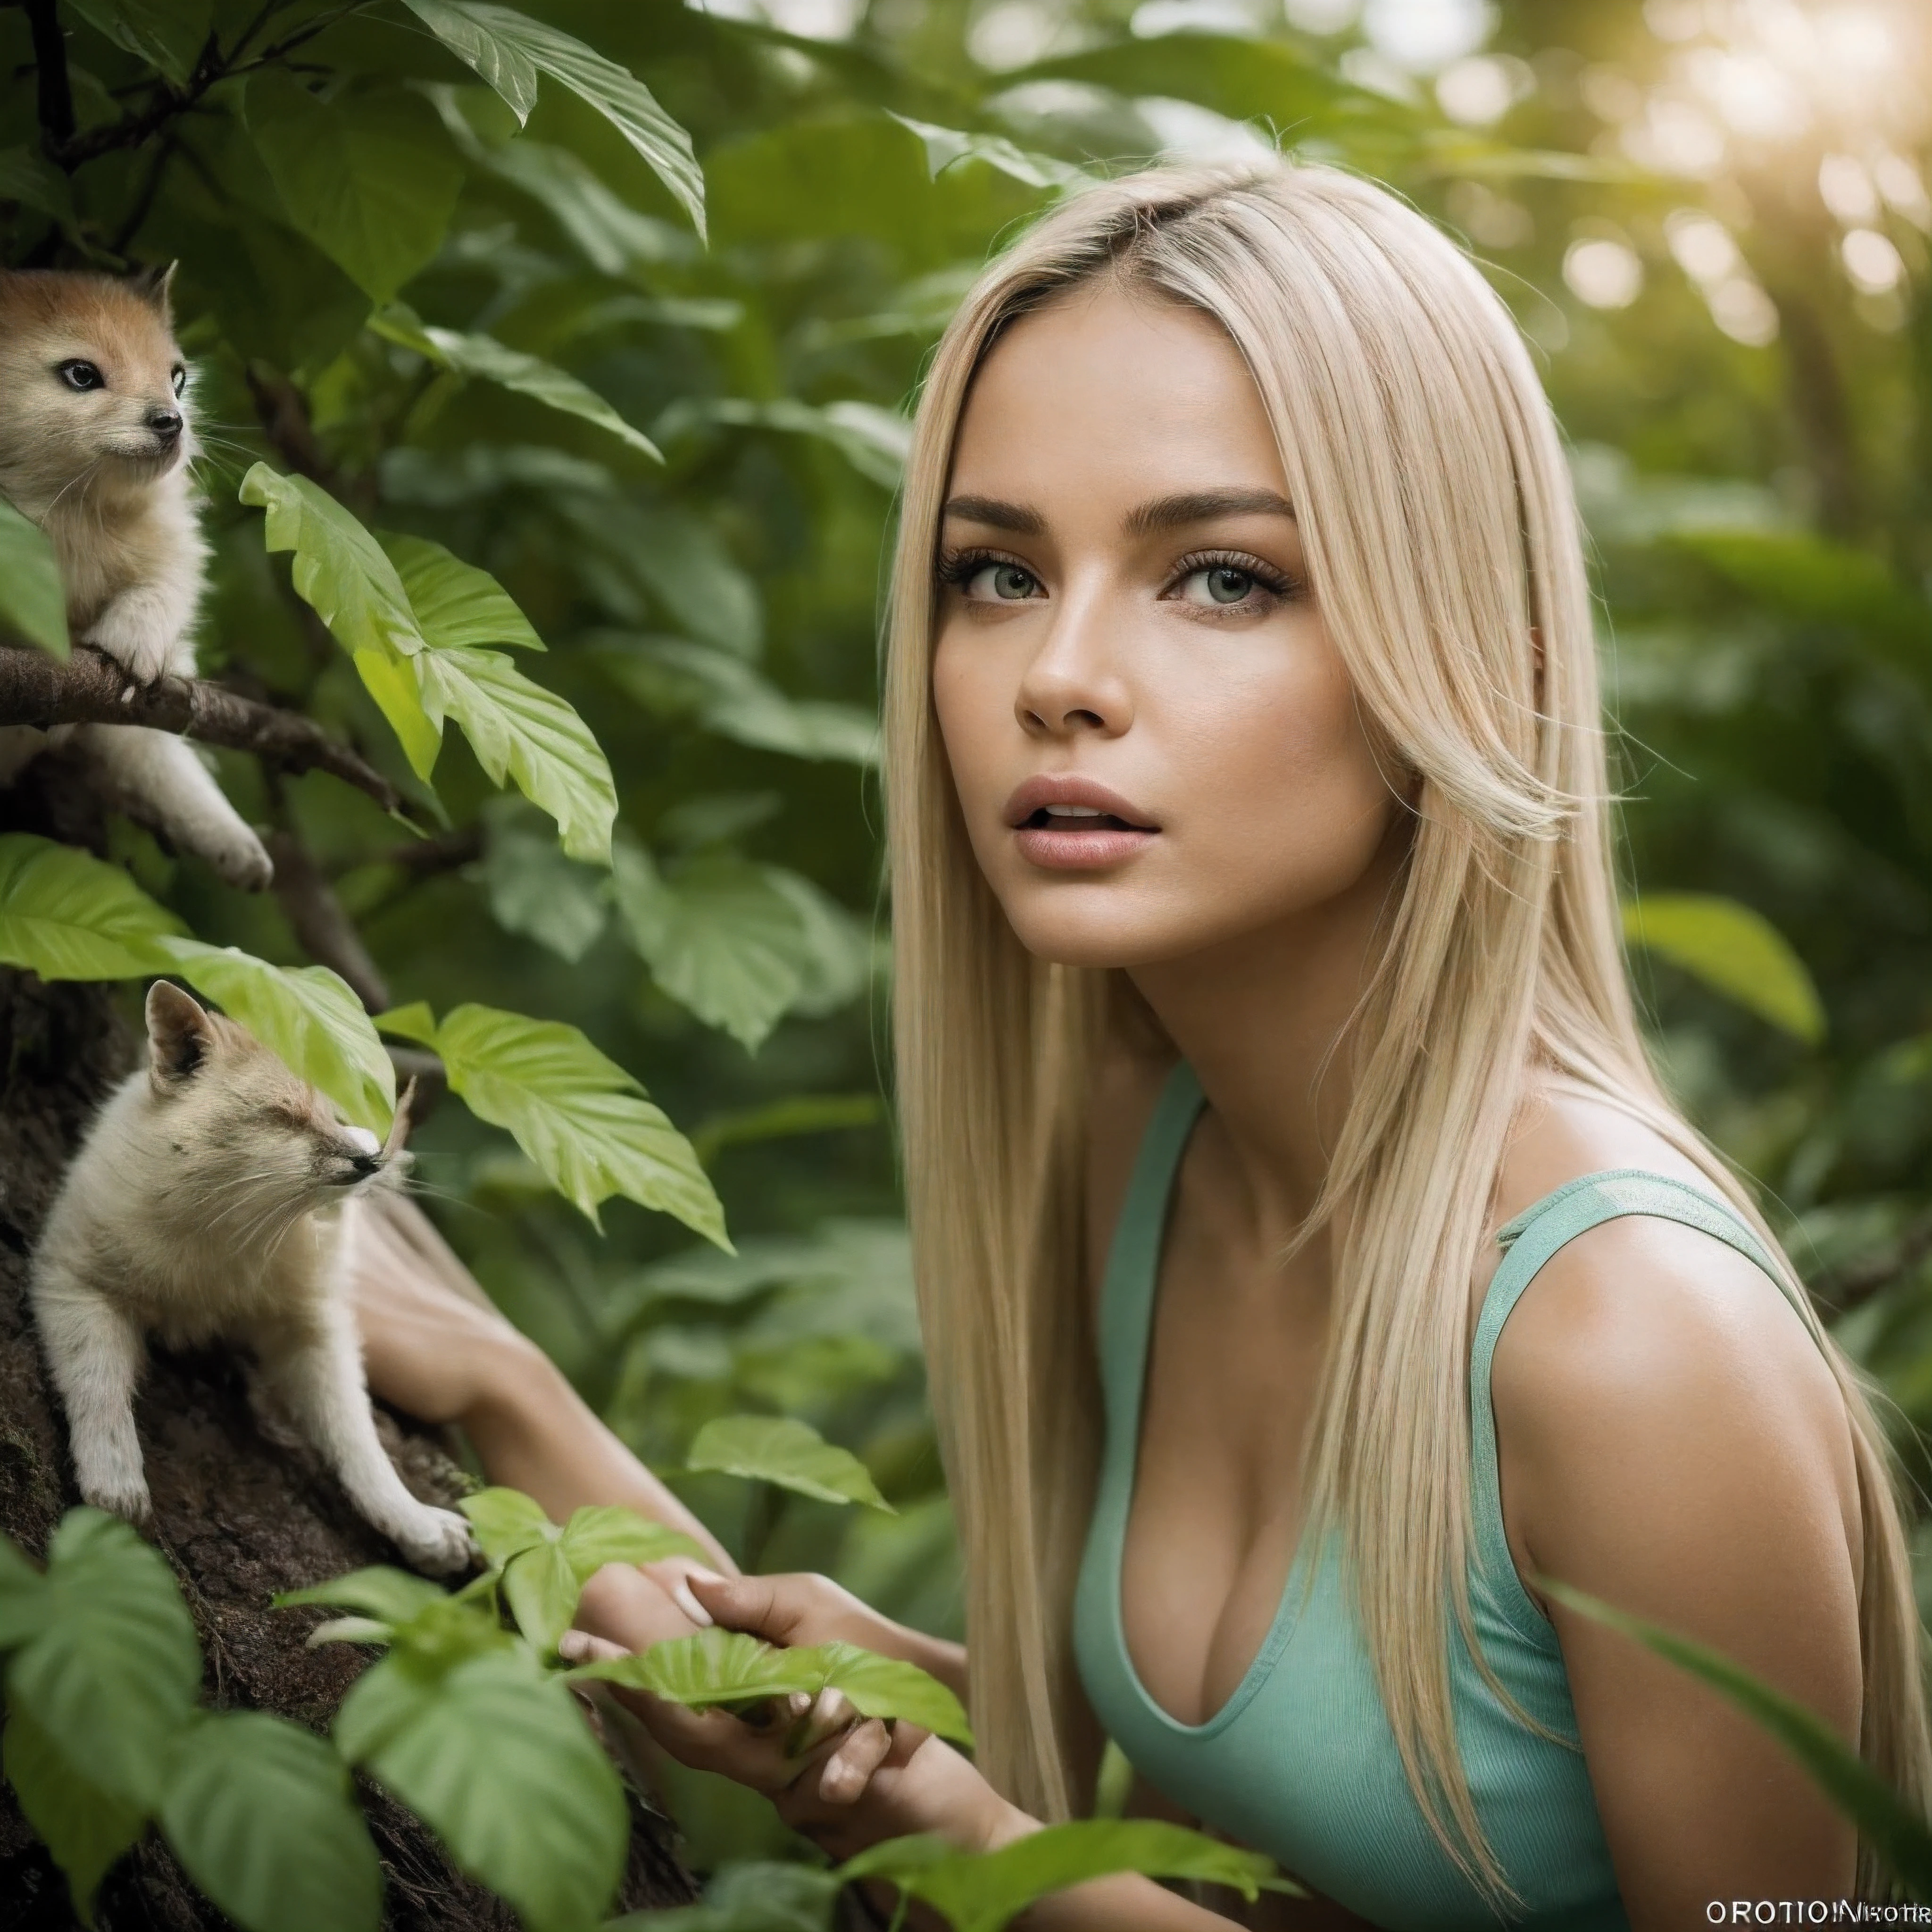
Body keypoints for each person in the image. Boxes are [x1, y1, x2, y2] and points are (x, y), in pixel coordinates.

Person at [356, 158, 1932, 1929]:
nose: (1060, 674)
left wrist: (966, 1845)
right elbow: (1282, 1864)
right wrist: (508, 1391)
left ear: (1456, 643)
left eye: (1225, 578)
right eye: (999, 573)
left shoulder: (1634, 1339)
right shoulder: (1146, 1141)